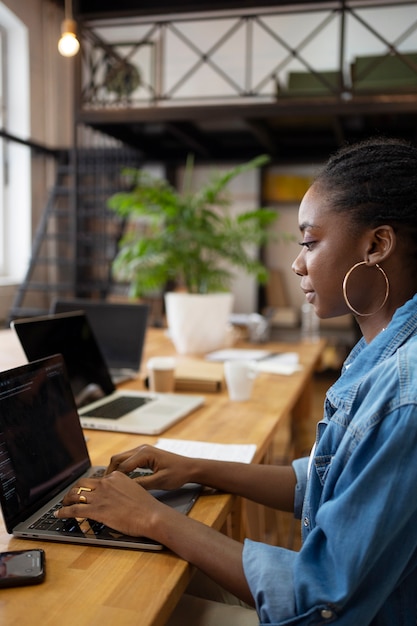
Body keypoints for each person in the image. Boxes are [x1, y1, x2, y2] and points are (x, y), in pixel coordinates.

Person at [55, 137, 417, 625]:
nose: (297, 262)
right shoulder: (381, 355)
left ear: (376, 245)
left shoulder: (402, 393)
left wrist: (152, 517)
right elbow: (321, 479)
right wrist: (196, 468)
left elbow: (320, 597)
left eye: (309, 242)